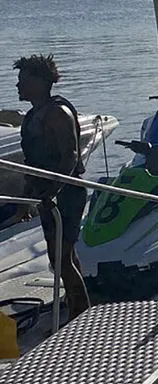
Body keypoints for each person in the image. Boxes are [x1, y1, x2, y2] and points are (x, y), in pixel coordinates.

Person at [13, 54, 91, 321]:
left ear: (40, 82)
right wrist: (26, 203)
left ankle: (80, 317)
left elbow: (69, 157)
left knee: (61, 258)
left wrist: (54, 192)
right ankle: (78, 310)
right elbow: (31, 166)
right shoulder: (34, 115)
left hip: (66, 193)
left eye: (23, 80)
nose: (17, 85)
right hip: (48, 196)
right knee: (62, 256)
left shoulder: (58, 113)